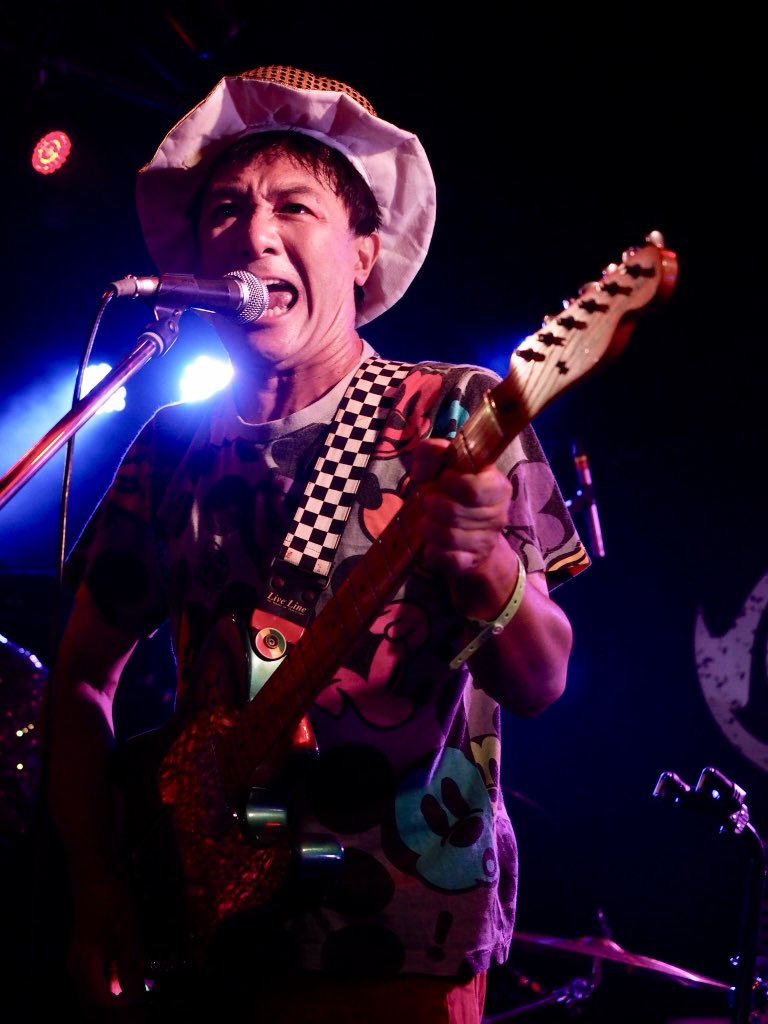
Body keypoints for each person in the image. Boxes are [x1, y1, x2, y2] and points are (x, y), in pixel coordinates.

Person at [45, 65, 588, 1024]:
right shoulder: (170, 445)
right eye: (226, 209)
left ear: (365, 253)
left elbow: (542, 680)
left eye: (294, 206)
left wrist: (489, 567)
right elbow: (82, 676)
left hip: (398, 941)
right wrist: (96, 884)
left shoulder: (453, 409)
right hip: (201, 935)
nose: (254, 233)